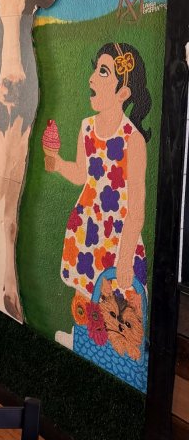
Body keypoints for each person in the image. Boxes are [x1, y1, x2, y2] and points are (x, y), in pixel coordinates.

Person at [45, 42, 150, 354]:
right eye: (96, 69)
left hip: (118, 237)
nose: (91, 78)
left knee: (117, 306)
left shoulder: (133, 140)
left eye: (102, 72)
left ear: (123, 93)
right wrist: (56, 162)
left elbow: (138, 204)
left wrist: (127, 254)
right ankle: (84, 340)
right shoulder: (86, 128)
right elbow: (81, 173)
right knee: (85, 295)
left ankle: (113, 353)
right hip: (88, 229)